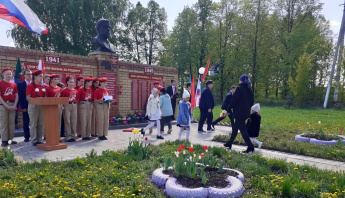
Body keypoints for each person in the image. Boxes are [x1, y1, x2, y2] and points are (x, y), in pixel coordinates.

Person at [224, 75, 255, 153]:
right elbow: (251, 102)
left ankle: (250, 146)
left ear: (242, 81)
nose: (239, 81)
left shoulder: (239, 89)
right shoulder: (249, 90)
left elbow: (234, 100)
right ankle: (229, 143)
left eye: (240, 80)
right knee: (235, 128)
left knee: (243, 130)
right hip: (245, 112)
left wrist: (228, 108)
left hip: (239, 112)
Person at [0, 68, 19, 147]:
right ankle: (4, 140)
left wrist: (15, 105)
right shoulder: (0, 83)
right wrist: (6, 105)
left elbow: (16, 95)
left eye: (10, 74)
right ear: (3, 74)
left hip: (12, 104)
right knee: (4, 123)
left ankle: (10, 139)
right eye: (7, 74)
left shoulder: (13, 84)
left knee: (12, 123)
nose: (9, 75)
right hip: (3, 105)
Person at [26, 70, 45, 146]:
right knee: (33, 123)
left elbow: (44, 97)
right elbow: (28, 98)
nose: (41, 78)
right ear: (35, 77)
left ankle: (40, 139)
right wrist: (36, 100)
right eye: (40, 76)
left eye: (42, 77)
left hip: (41, 106)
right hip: (33, 106)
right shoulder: (30, 86)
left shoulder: (42, 86)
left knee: (41, 123)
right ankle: (34, 140)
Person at [61, 76, 79, 142]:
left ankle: (73, 135)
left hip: (74, 105)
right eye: (70, 82)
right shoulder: (64, 91)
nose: (72, 84)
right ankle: (68, 136)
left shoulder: (75, 91)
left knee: (74, 121)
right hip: (67, 105)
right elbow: (62, 99)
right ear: (67, 82)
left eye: (73, 82)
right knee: (67, 121)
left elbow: (77, 99)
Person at [46, 74, 63, 139]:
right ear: (51, 80)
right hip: (51, 107)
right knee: (51, 122)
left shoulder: (59, 88)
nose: (56, 80)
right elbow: (46, 99)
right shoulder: (48, 88)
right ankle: (50, 137)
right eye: (55, 79)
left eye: (57, 79)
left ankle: (57, 137)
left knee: (58, 122)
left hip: (58, 106)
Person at [18, 69, 32, 142]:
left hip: (34, 106)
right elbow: (20, 97)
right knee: (26, 122)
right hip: (25, 106)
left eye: (30, 74)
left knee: (33, 122)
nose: (30, 76)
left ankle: (33, 136)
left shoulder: (34, 84)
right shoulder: (21, 84)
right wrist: (23, 107)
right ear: (24, 76)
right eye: (28, 74)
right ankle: (27, 137)